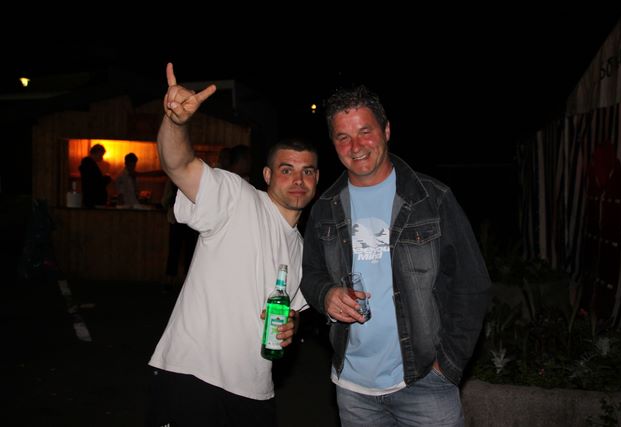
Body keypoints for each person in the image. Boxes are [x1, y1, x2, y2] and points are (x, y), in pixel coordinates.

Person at [300, 85, 491, 427]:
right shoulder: (325, 208)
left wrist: (447, 366)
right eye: (343, 137)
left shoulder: (433, 199)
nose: (356, 146)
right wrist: (326, 294)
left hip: (425, 382)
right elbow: (310, 273)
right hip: (353, 390)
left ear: (386, 130)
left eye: (365, 131)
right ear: (333, 143)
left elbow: (472, 285)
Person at [148, 63, 320, 427]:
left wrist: (291, 325)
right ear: (267, 175)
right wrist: (176, 123)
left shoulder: (304, 250)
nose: (298, 179)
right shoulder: (236, 197)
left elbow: (290, 313)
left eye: (307, 171)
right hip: (192, 378)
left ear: (316, 179)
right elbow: (178, 165)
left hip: (256, 390)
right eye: (287, 169)